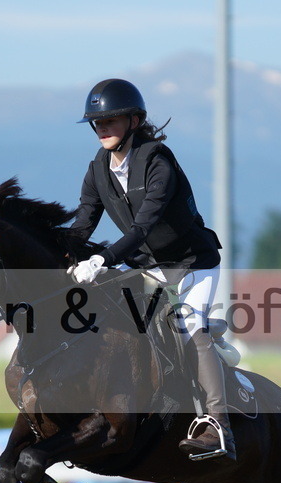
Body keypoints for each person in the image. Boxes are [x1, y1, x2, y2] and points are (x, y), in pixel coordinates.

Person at [66, 78, 235, 461]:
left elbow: (143, 227)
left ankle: (219, 425)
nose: (102, 128)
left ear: (134, 121)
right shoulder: (98, 169)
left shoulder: (158, 161)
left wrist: (102, 259)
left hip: (192, 263)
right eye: (97, 122)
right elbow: (82, 225)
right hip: (146, 266)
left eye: (110, 120)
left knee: (189, 328)